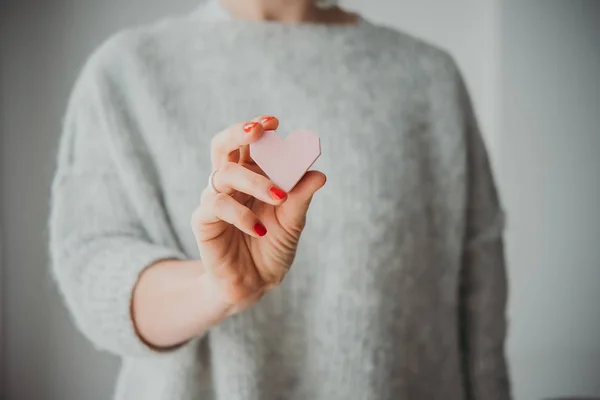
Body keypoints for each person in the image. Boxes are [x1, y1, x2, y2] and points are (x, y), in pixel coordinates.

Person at [49, 0, 511, 399]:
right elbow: (94, 272)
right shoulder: (126, 71)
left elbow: (481, 299)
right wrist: (218, 288)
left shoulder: (428, 77)